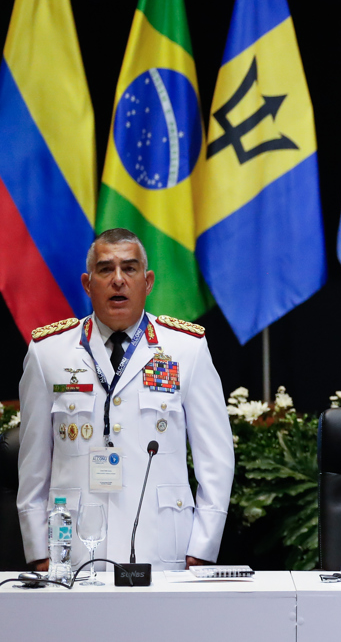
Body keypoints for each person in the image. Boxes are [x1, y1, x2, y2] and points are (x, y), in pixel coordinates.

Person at [17, 228, 234, 571]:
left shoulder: (186, 349)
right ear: (88, 284)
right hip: (74, 551)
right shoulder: (49, 353)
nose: (118, 280)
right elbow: (32, 465)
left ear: (147, 282)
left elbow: (216, 458)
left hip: (163, 546)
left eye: (130, 269)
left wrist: (203, 546)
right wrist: (38, 550)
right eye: (106, 269)